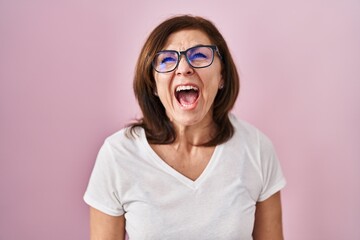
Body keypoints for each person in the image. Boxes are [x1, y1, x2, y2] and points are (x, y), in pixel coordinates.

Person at [84, 15, 286, 240]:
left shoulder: (256, 148)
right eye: (167, 60)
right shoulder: (117, 155)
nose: (184, 68)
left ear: (222, 76)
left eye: (199, 56)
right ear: (153, 83)